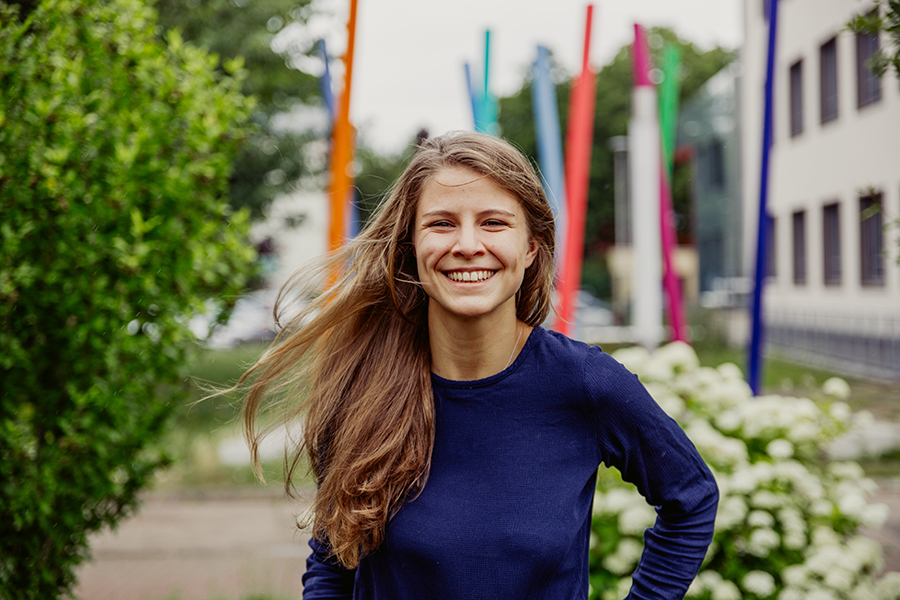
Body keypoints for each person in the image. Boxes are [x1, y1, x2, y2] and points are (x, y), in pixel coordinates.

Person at [240, 131, 718, 600]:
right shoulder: (364, 386)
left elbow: (691, 499)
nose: (468, 244)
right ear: (410, 245)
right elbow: (333, 560)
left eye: (494, 223)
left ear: (531, 246)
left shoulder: (585, 384)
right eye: (441, 223)